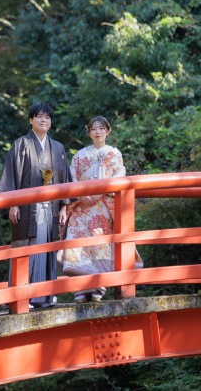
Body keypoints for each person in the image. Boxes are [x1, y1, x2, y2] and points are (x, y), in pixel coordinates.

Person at [0, 102, 70, 308]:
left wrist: (64, 206)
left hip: (51, 208)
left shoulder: (58, 148)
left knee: (47, 249)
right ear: (30, 120)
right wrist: (13, 204)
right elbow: (11, 176)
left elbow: (65, 179)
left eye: (47, 117)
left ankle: (45, 296)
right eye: (39, 116)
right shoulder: (21, 145)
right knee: (25, 248)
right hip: (27, 209)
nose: (43, 120)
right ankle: (20, 297)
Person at [61, 116, 142, 303]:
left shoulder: (114, 154)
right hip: (82, 206)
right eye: (93, 129)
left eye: (101, 128)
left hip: (103, 205)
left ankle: (99, 286)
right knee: (78, 244)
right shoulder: (80, 155)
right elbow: (72, 177)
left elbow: (119, 176)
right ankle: (80, 289)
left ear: (108, 131)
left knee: (100, 246)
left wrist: (98, 194)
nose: (97, 132)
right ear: (88, 132)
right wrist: (81, 195)